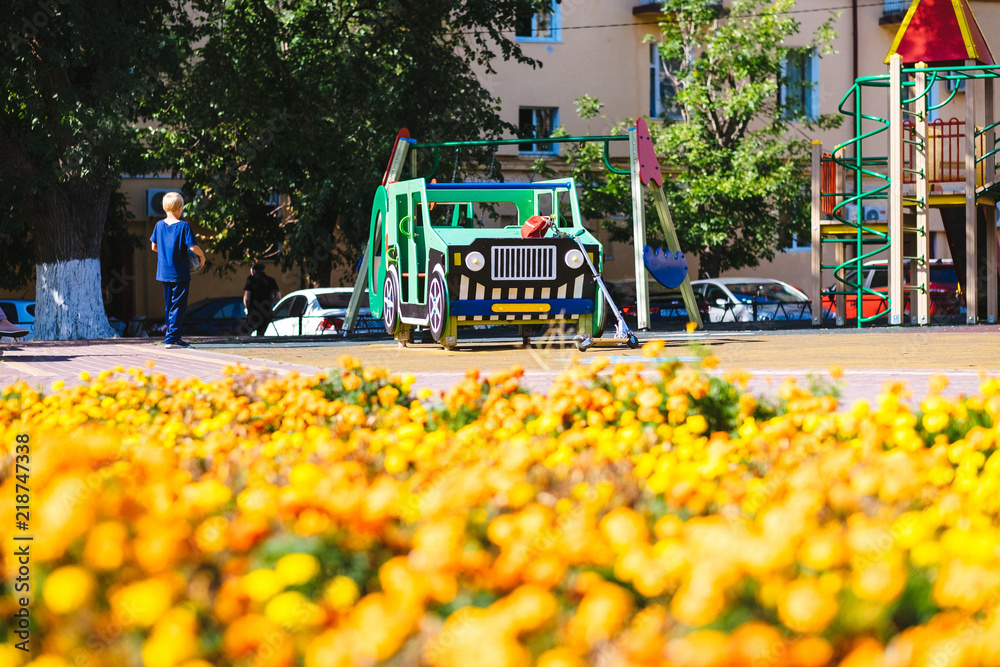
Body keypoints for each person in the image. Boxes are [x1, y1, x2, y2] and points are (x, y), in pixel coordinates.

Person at [150, 192, 205, 349]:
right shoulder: (183, 226)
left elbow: (154, 247)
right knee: (178, 306)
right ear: (180, 208)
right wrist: (202, 256)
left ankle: (171, 336)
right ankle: (172, 339)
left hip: (164, 272)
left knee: (169, 306)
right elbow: (193, 247)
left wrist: (167, 251)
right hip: (180, 272)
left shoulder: (158, 225)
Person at [243, 263, 281, 336]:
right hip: (266, 311)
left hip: (253, 311)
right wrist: (269, 301)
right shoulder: (271, 280)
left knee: (245, 333)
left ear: (253, 271)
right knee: (261, 334)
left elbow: (247, 298)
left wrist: (247, 308)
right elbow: (278, 297)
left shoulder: (251, 279)